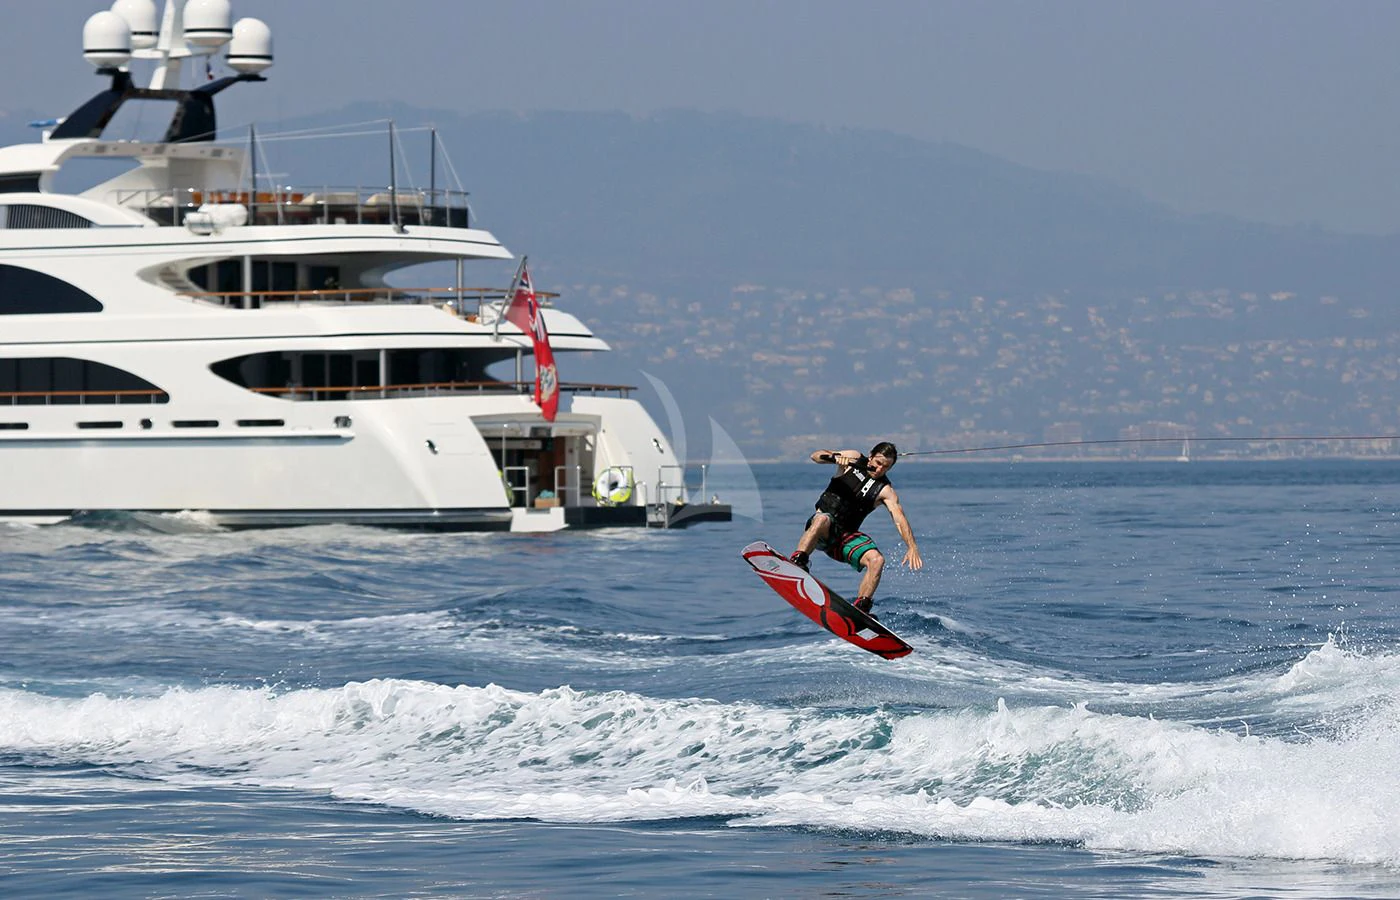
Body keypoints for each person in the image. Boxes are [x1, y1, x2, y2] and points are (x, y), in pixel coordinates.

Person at [789, 441, 923, 614]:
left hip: (844, 539)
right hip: (822, 530)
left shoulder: (885, 491)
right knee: (822, 519)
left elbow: (899, 518)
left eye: (886, 467)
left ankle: (862, 607)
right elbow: (815, 456)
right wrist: (836, 458)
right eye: (878, 463)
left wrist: (911, 546)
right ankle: (799, 562)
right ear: (871, 456)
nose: (880, 469)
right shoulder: (853, 458)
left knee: (877, 560)